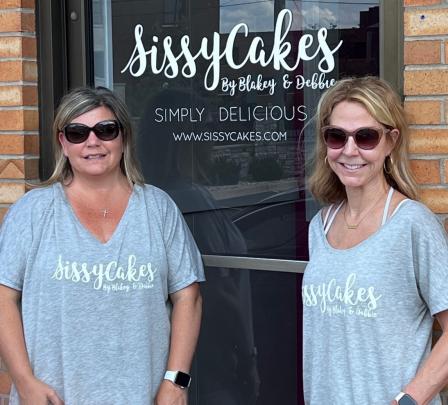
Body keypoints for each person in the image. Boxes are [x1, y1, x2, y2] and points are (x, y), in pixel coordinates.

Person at [0, 86, 204, 405]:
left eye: (106, 130)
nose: (93, 142)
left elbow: (188, 297)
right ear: (62, 142)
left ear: (123, 138)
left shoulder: (159, 209)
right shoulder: (32, 211)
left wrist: (175, 382)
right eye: (77, 133)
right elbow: (3, 298)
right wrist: (24, 381)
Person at [302, 76, 448, 405]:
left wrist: (411, 399)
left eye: (365, 137)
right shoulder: (319, 227)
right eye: (336, 136)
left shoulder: (411, 224)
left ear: (390, 141)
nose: (350, 150)